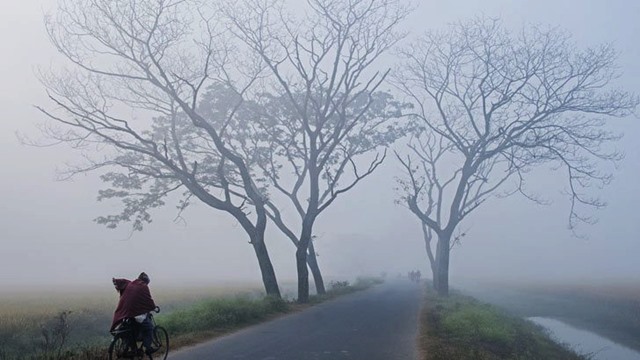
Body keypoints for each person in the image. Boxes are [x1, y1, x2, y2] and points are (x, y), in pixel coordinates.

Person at [111, 272, 158, 355]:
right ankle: (148, 348)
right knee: (149, 328)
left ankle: (133, 349)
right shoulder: (143, 286)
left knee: (130, 330)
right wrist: (153, 307)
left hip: (125, 313)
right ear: (145, 281)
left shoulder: (130, 284)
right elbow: (148, 300)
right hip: (136, 313)